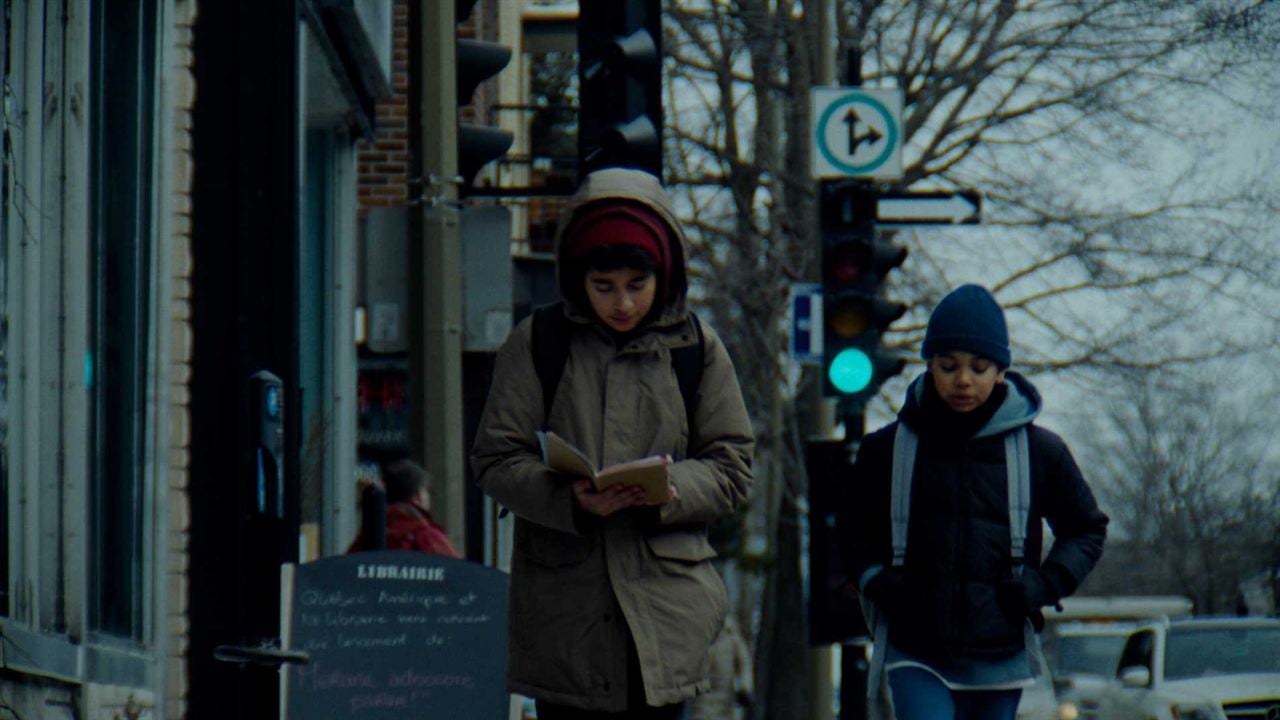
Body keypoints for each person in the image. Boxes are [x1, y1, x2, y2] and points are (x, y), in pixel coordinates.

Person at [471, 167, 755, 719]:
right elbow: (496, 457)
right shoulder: (539, 343)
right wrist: (570, 499)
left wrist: (670, 488)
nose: (621, 303)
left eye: (636, 285)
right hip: (565, 619)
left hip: (665, 616)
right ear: (579, 278)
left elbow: (734, 466)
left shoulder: (698, 348)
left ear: (663, 276)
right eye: (603, 287)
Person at [839, 284, 1109, 720]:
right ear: (929, 365)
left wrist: (1045, 584)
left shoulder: (1041, 451)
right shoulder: (886, 450)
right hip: (916, 646)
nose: (963, 379)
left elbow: (1086, 528)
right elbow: (850, 528)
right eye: (948, 366)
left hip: (999, 650)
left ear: (1001, 372)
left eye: (979, 367)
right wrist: (876, 579)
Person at [347, 458, 461, 558]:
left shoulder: (367, 537)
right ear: (419, 495)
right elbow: (457, 575)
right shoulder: (427, 537)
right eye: (426, 491)